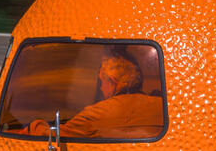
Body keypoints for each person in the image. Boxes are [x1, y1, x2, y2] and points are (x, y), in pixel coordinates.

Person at [29, 55, 163, 139]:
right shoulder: (163, 107)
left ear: (112, 82)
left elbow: (53, 136)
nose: (100, 88)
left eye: (101, 82)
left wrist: (35, 125)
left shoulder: (96, 114)